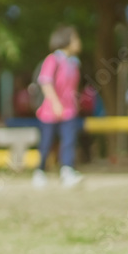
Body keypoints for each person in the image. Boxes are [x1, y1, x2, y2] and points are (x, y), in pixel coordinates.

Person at [32, 25, 84, 188]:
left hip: (69, 111)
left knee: (69, 141)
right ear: (66, 40)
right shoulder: (53, 59)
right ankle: (40, 171)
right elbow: (45, 82)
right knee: (46, 143)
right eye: (75, 38)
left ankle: (67, 170)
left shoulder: (74, 63)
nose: (78, 42)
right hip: (50, 111)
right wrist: (55, 103)